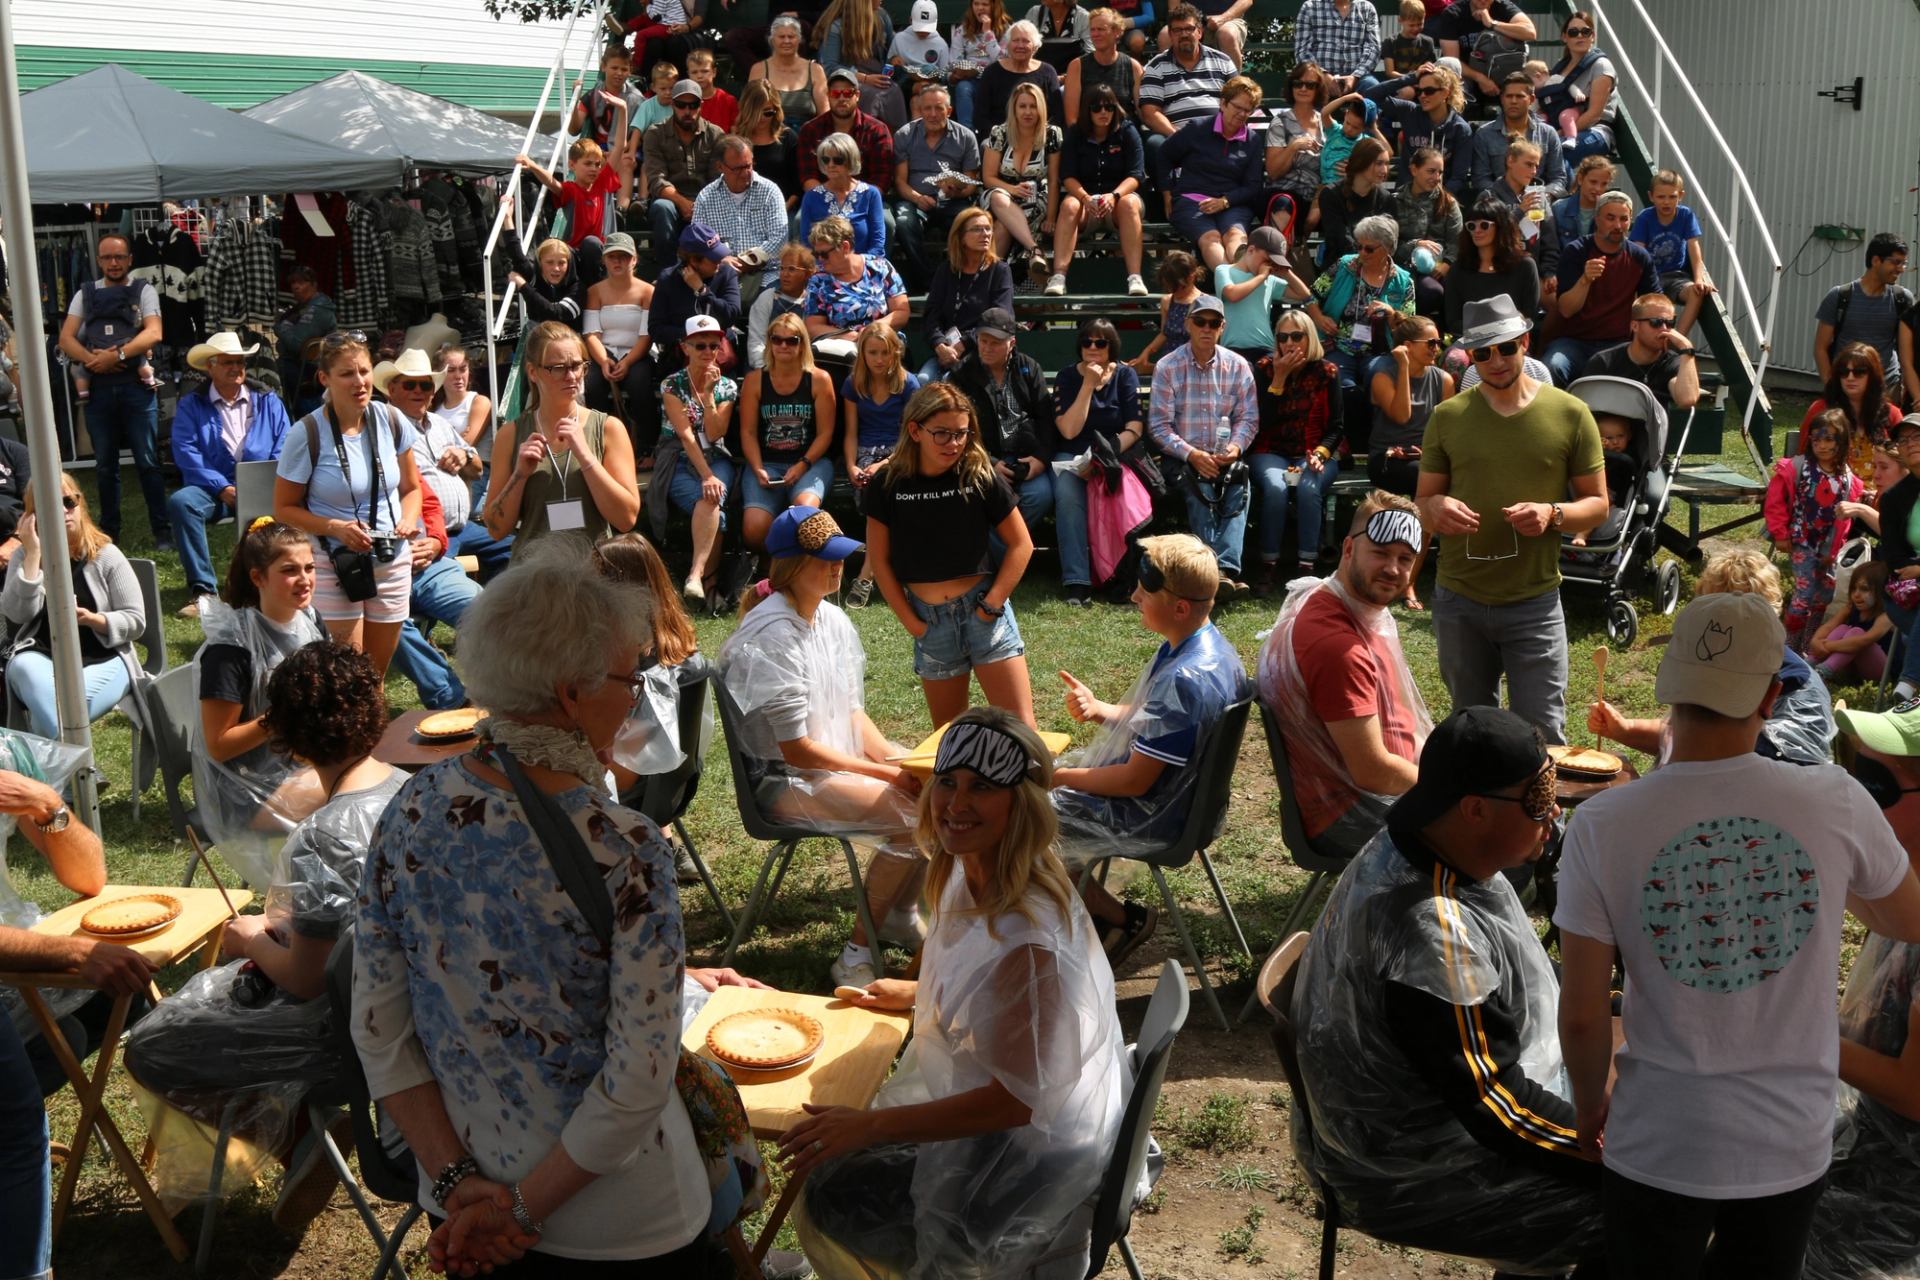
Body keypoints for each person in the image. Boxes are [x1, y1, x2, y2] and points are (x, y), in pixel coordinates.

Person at [351, 541, 728, 1276]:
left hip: (460, 1201)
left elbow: (379, 1028)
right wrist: (519, 1209)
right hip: (618, 1221)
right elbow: (637, 1078)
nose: (636, 694)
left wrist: (461, 1185)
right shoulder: (626, 847)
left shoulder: (405, 812)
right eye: (631, 675)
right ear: (572, 692)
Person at [1556, 592, 1920, 1280]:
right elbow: (1908, 919)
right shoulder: (1835, 800)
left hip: (1656, 1140)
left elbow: (1580, 1016)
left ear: (1669, 689)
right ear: (1774, 697)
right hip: (1787, 1148)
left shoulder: (1602, 825)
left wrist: (1587, 1110)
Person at [783, 708, 1127, 1279]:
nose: (955, 803)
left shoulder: (1029, 942)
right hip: (1016, 1132)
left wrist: (868, 1127)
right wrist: (921, 992)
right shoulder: (976, 868)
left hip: (1026, 1166)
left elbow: (1015, 1103)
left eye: (983, 788)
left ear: (1024, 803)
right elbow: (996, 995)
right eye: (947, 782)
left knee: (829, 1189)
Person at [1291, 705, 1604, 1273]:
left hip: (1417, 1122)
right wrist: (1621, 1153)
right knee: (1650, 1209)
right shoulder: (1432, 934)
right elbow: (1496, 1108)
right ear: (1476, 810)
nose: (1553, 812)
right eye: (1537, 799)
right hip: (1408, 1167)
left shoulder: (1420, 844)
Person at [127, 640, 404, 1241]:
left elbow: (306, 978)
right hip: (405, 1019)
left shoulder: (325, 833)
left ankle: (303, 1130)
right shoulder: (411, 790)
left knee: (150, 1046)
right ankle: (306, 1130)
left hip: (344, 1040)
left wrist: (253, 937)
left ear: (291, 742)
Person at [719, 506, 925, 988]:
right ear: (791, 565)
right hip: (779, 780)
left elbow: (852, 712)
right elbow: (799, 753)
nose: (838, 567)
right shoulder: (772, 637)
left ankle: (899, 914)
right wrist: (890, 776)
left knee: (932, 792)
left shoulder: (831, 620)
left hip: (822, 764)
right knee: (911, 817)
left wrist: (899, 760)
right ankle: (855, 953)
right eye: (825, 560)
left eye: (841, 557)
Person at [1416, 293, 1606, 742]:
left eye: (1505, 347)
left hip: (1533, 600)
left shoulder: (1569, 412)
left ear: (1525, 341)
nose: (1496, 361)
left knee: (1543, 734)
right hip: (1459, 598)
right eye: (1483, 353)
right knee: (1475, 730)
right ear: (1470, 357)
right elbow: (1423, 501)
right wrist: (1435, 507)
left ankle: (1543, 814)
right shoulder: (1447, 416)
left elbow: (1597, 504)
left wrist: (1553, 513)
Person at [1053, 533, 1250, 951]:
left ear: (1179, 607)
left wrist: (1057, 780)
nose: (1135, 594)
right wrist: (1104, 709)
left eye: (1147, 588)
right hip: (1188, 806)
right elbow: (1166, 724)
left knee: (1019, 814)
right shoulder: (1210, 651)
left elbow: (1132, 783)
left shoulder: (1184, 679)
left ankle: (1118, 921)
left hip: (1156, 817)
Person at [1260, 492, 1430, 856]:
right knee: (1507, 840)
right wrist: (1453, 789)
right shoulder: (1337, 644)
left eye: (1405, 559)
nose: (1394, 569)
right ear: (1349, 548)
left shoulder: (1346, 605)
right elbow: (1371, 771)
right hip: (1354, 813)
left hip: (1382, 793)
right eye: (1381, 553)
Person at [865, 381, 1036, 728]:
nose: (954, 443)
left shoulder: (979, 472)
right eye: (942, 433)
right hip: (931, 623)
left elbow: (1022, 545)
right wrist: (913, 623)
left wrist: (992, 605)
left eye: (962, 433)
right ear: (915, 430)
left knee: (1021, 731)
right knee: (949, 739)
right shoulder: (887, 483)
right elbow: (879, 561)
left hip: (985, 615)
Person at [1587, 548, 1840, 770]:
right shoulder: (1704, 661)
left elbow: (1721, 753)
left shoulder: (1798, 690)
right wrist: (1626, 729)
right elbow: (1694, 736)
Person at [271, 331, 421, 678]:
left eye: (365, 371)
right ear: (324, 378)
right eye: (347, 374)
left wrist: (409, 520)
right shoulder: (306, 432)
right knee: (347, 675)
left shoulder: (391, 419)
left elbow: (412, 488)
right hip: (334, 563)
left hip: (390, 559)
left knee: (376, 675)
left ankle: (375, 734)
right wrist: (335, 527)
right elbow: (283, 508)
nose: (360, 382)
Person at [191, 518, 326, 883]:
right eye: (289, 570)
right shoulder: (230, 649)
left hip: (299, 764)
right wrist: (283, 715)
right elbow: (219, 746)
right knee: (350, 790)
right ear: (257, 578)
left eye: (309, 567)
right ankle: (321, 908)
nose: (305, 579)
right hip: (245, 793)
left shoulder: (309, 620)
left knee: (372, 775)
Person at [2, 475, 146, 740]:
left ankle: (71, 771)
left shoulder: (105, 555)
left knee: (56, 711)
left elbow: (135, 621)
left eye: (69, 501)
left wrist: (93, 619)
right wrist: (34, 556)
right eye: (51, 506)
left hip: (107, 658)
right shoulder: (25, 556)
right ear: (33, 517)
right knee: (23, 670)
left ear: (81, 504)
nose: (64, 510)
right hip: (44, 659)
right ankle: (79, 768)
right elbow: (17, 614)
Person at [484, 321, 641, 562]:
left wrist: (587, 457)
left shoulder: (608, 428)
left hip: (593, 573)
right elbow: (495, 529)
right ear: (533, 372)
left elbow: (626, 519)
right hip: (532, 574)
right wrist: (519, 475)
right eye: (558, 368)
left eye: (577, 366)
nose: (571, 376)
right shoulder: (511, 434)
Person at [55, 232, 169, 546]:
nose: (113, 262)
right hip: (99, 390)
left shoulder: (144, 290)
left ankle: (162, 530)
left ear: (130, 259)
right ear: (99, 260)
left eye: (119, 257)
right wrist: (95, 360)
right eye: (107, 257)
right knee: (105, 465)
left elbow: (155, 332)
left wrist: (116, 355)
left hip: (136, 388)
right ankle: (109, 532)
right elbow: (65, 338)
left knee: (147, 461)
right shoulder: (85, 293)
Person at [170, 330, 292, 612]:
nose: (236, 368)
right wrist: (219, 487)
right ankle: (203, 591)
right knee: (181, 502)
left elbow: (285, 444)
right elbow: (185, 451)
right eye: (228, 362)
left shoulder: (268, 400)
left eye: (240, 362)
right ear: (210, 367)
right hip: (213, 490)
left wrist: (263, 480)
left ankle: (275, 580)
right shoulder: (191, 404)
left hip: (264, 486)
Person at [1149, 293, 1259, 594]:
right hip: (1183, 457)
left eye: (1214, 323)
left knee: (1239, 481)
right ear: (1188, 324)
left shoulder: (1238, 366)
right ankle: (1217, 570)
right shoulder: (1168, 366)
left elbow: (1248, 420)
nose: (1206, 328)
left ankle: (1220, 569)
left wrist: (1235, 447)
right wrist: (1192, 454)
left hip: (1224, 455)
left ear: (1222, 327)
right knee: (1200, 484)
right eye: (1200, 321)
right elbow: (1159, 427)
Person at [1249, 309, 1345, 592]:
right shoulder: (1264, 368)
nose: (1289, 343)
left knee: (1308, 485)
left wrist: (1320, 454)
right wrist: (1278, 378)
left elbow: (1337, 426)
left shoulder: (1327, 372)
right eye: (1283, 337)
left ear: (1309, 337)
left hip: (1315, 451)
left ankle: (1307, 566)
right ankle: (1268, 564)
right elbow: (1259, 424)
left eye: (1296, 336)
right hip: (1270, 450)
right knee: (1276, 488)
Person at [1051, 316, 1145, 605]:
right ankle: (1077, 582)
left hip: (1113, 454)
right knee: (1067, 494)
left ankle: (1119, 576)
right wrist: (1088, 385)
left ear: (1111, 347)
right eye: (1087, 341)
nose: (1093, 347)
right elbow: (1068, 430)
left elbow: (1135, 428)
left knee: (1121, 493)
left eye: (1100, 342)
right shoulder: (1067, 377)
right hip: (1072, 455)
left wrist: (1106, 454)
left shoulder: (1125, 375)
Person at [1308, 214, 1415, 455]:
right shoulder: (1346, 266)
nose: (1362, 253)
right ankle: (1340, 443)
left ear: (1387, 248)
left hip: (1378, 350)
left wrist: (1390, 312)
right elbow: (1311, 297)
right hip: (1339, 345)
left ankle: (1381, 443)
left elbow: (1408, 326)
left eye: (1368, 248)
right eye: (1359, 246)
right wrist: (1320, 318)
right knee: (1340, 385)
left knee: (1382, 380)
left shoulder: (1402, 281)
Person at [738, 312, 836, 551]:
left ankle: (799, 570)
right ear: (769, 342)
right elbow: (748, 432)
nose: (783, 345)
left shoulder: (819, 379)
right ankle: (770, 566)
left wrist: (802, 464)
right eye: (776, 339)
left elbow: (825, 433)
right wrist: (758, 467)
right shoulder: (754, 380)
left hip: (810, 462)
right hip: (767, 462)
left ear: (802, 344)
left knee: (803, 517)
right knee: (754, 529)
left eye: (791, 340)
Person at [1767, 408, 1862, 653]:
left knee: (1825, 593)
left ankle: (1810, 641)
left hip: (1828, 546)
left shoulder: (1846, 478)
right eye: (1816, 439)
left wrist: (1837, 546)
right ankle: (1789, 646)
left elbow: (1845, 518)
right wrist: (1780, 532)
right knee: (1804, 592)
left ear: (1841, 442)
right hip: (1802, 540)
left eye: (1828, 439)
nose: (1821, 445)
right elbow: (1775, 501)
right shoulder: (1798, 468)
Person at [1546, 189, 1658, 387]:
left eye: (1624, 219)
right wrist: (1585, 280)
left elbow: (1653, 304)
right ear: (1597, 219)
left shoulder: (1639, 257)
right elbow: (1566, 309)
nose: (1617, 225)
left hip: (1619, 344)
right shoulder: (1577, 251)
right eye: (1610, 218)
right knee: (1552, 366)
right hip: (1575, 341)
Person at [662, 314, 739, 602]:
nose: (708, 352)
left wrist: (708, 396)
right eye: (700, 346)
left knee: (712, 496)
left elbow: (716, 431)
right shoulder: (672, 385)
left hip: (716, 454)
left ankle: (696, 576)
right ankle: (707, 581)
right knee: (711, 502)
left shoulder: (727, 386)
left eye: (713, 345)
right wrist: (706, 474)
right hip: (680, 457)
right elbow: (686, 436)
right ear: (685, 348)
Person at [1049, 81, 1147, 296]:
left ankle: (1135, 277)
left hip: (1120, 201)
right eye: (1097, 108)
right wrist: (1085, 198)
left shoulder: (1128, 131)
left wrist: (1114, 196)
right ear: (1088, 110)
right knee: (1069, 204)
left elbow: (1136, 175)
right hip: (1087, 203)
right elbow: (1068, 176)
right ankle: (1058, 276)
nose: (1104, 112)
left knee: (1130, 202)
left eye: (1109, 107)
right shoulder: (1075, 134)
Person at [1156, 75, 1263, 271]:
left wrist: (1224, 201)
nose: (1241, 114)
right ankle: (1230, 284)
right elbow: (1163, 155)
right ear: (1223, 103)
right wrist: (1166, 193)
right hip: (1192, 200)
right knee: (1210, 238)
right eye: (1237, 107)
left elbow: (1253, 186)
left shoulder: (1253, 140)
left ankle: (1237, 282)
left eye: (1247, 110)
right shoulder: (1197, 128)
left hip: (1232, 203)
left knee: (1236, 235)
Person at [1136, 4, 1235, 206]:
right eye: (1177, 30)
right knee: (1155, 144)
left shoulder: (1223, 62)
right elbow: (1150, 112)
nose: (1184, 34)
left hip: (1218, 134)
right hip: (1176, 135)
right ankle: (1174, 203)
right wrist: (1178, 135)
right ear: (1170, 35)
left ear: (1200, 32)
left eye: (1189, 29)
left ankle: (1224, 200)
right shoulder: (1156, 67)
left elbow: (1238, 102)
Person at [890, 83, 983, 291]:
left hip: (953, 200)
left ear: (948, 110)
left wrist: (957, 189)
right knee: (904, 222)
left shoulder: (966, 137)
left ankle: (957, 280)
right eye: (927, 108)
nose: (933, 114)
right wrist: (917, 198)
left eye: (938, 108)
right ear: (920, 110)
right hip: (915, 199)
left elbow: (971, 184)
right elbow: (900, 182)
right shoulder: (905, 135)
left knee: (968, 222)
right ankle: (927, 280)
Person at [1368, 314, 1452, 540]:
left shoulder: (1443, 380)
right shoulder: (1383, 376)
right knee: (1425, 475)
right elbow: (1402, 416)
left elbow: (1446, 431)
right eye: (1431, 343)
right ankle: (1417, 539)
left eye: (1439, 341)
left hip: (1425, 456)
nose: (1437, 348)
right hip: (1387, 459)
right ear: (1407, 347)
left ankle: (1437, 539)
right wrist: (1404, 367)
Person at [579, 232, 657, 460]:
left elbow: (645, 335)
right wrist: (604, 360)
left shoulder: (647, 291)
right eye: (612, 256)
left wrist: (629, 361)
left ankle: (647, 445)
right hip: (604, 352)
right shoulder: (595, 291)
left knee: (639, 383)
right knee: (592, 382)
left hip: (638, 353)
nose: (617, 261)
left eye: (624, 256)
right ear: (604, 260)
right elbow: (591, 333)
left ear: (634, 259)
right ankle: (599, 443)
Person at [517, 137, 634, 288]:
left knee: (591, 243)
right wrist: (532, 165)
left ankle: (595, 289)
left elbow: (619, 147)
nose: (594, 168)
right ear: (572, 164)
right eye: (588, 163)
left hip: (596, 252)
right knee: (557, 252)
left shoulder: (601, 184)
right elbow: (551, 182)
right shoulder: (571, 189)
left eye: (598, 164)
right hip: (574, 252)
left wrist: (623, 112)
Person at [980, 82, 1064, 285]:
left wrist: (1051, 217)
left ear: (1041, 108)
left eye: (1033, 106)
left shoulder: (1052, 133)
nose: (1028, 112)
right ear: (1014, 109)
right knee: (999, 197)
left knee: (1003, 227)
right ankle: (1034, 250)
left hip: (1035, 198)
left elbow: (1053, 179)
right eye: (1023, 106)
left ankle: (988, 284)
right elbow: (988, 177)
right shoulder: (999, 133)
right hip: (1000, 194)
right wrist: (1012, 189)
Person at [639, 78, 724, 275]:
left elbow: (718, 179)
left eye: (693, 105)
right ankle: (669, 272)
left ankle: (712, 269)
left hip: (707, 199)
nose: (687, 111)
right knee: (662, 207)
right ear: (672, 104)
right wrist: (682, 202)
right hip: (670, 199)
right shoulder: (655, 133)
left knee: (719, 204)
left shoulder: (715, 134)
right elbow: (656, 178)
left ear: (701, 105)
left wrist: (699, 203)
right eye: (681, 105)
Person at [690, 134, 789, 303]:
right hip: (721, 274)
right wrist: (722, 261)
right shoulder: (706, 197)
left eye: (748, 166)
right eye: (738, 168)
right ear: (720, 166)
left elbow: (779, 239)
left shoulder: (770, 191)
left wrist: (744, 262)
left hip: (765, 274)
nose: (745, 173)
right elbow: (698, 242)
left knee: (770, 301)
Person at [922, 206, 1015, 380]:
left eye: (988, 228)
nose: (985, 234)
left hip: (981, 352)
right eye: (977, 229)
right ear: (961, 237)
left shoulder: (1000, 271)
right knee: (922, 380)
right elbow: (931, 315)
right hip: (945, 350)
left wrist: (963, 343)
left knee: (948, 380)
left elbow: (1001, 317)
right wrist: (940, 344)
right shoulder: (946, 270)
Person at [1814, 232, 1912, 396]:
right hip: (1846, 388)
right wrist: (1831, 386)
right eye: (1896, 262)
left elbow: (1907, 352)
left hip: (1888, 390)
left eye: (1904, 263)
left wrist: (1905, 388)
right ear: (1875, 261)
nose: (1901, 269)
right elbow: (1820, 348)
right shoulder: (1839, 296)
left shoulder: (1902, 299)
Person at [648, 220, 743, 380]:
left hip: (718, 356)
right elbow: (656, 329)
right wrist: (693, 337)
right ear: (693, 261)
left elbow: (731, 314)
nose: (719, 261)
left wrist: (702, 291)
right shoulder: (668, 279)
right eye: (713, 258)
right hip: (680, 359)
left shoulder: (726, 273)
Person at [1582, 291, 1703, 415]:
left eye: (1669, 323)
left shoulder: (1671, 363)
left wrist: (1687, 348)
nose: (1664, 329)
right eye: (1656, 322)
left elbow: (1687, 400)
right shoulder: (1604, 362)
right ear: (1634, 326)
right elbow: (1585, 410)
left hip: (1652, 432)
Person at [1356, 63, 1470, 192]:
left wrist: (1439, 200)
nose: (1422, 96)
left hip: (1440, 200)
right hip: (1406, 197)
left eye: (1429, 91)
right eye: (1419, 91)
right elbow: (1370, 96)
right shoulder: (1410, 111)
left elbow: (1458, 177)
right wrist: (1411, 78)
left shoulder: (1460, 128)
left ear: (1445, 93)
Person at [796, 67, 899, 205]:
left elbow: (882, 177)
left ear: (857, 95)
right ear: (828, 95)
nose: (842, 98)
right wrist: (830, 202)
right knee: (798, 221)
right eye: (836, 93)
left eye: (848, 93)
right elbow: (808, 176)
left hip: (866, 200)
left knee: (888, 223)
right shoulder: (810, 130)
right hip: (822, 199)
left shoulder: (877, 130)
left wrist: (857, 202)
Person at [1631, 168, 1714, 336]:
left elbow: (1693, 245)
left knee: (1696, 293)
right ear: (1651, 196)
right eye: (1661, 197)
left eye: (1672, 196)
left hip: (1676, 275)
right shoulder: (1645, 218)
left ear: (1681, 195)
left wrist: (1699, 279)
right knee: (1645, 306)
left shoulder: (1685, 215)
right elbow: (1638, 251)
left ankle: (1676, 339)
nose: (1666, 202)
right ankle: (1643, 337)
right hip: (1651, 276)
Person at [1444, 195, 1539, 340]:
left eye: (1484, 225)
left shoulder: (1525, 266)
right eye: (1471, 225)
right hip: (1471, 342)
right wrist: (1488, 332)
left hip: (1512, 341)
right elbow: (1453, 321)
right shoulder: (1458, 269)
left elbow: (1529, 316)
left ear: (1501, 226)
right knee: (1455, 360)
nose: (1476, 230)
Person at [1808, 341, 1904, 482]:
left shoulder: (1891, 414)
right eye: (1844, 372)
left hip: (1880, 497)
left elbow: (1903, 462)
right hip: (1831, 494)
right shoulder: (1821, 410)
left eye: (1859, 372)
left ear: (1872, 376)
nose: (1850, 378)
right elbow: (1804, 456)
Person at [803, 214, 910, 339]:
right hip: (842, 350)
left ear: (845, 247)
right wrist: (854, 337)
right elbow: (813, 327)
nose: (820, 259)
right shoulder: (819, 279)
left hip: (883, 343)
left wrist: (872, 332)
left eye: (824, 254)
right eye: (816, 254)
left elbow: (901, 311)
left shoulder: (880, 267)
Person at [1465, 70, 1566, 198]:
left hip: (1538, 204)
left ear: (1531, 99)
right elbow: (1480, 180)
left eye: (1519, 96)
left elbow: (1558, 178)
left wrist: (1544, 196)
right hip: (1499, 205)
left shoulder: (1548, 134)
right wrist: (1506, 199)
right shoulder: (1484, 134)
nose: (1513, 101)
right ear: (1502, 98)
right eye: (1508, 96)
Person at [1218, 225, 1309, 366]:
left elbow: (1303, 294)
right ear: (1251, 250)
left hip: (1265, 348)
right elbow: (1232, 294)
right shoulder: (1225, 270)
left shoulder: (1269, 279)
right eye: (1267, 260)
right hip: (1233, 349)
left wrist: (1286, 272)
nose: (1269, 265)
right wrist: (1261, 277)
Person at [1393, 145, 1462, 320]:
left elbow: (1457, 240)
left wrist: (1446, 264)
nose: (1436, 178)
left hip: (1441, 267)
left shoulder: (1448, 203)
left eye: (1440, 172)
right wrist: (1414, 245)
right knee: (1428, 291)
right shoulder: (1395, 202)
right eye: (1431, 171)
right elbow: (1389, 243)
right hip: (1405, 266)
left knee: (1453, 288)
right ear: (1414, 169)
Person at [816, 0, 907, 130]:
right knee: (872, 95)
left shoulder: (882, 17)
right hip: (851, 78)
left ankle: (895, 141)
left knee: (894, 90)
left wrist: (894, 57)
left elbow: (892, 45)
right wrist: (865, 78)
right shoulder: (837, 27)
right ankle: (863, 138)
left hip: (877, 74)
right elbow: (829, 67)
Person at [1539, 12, 1616, 164]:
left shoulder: (1601, 66)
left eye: (1586, 31)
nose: (1580, 36)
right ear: (1564, 37)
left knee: (1555, 155)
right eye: (1573, 32)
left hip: (1595, 131)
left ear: (1592, 36)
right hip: (1559, 129)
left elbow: (1594, 114)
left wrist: (1558, 134)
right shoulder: (1559, 68)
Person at [798, 130, 889, 257]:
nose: (830, 165)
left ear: (851, 160)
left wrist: (857, 266)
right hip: (823, 269)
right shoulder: (811, 196)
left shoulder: (871, 194)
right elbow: (806, 244)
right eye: (825, 159)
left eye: (838, 160)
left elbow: (877, 244)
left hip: (862, 268)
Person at [974, 19, 1065, 139]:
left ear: (1035, 46)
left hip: (1038, 140)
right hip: (998, 141)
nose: (1020, 45)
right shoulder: (992, 72)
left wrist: (1039, 137)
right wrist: (1000, 138)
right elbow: (980, 116)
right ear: (1008, 44)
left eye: (1026, 41)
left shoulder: (1047, 72)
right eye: (1015, 40)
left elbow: (1057, 115)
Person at [1312, 136, 1394, 266]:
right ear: (1362, 162)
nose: (1384, 170)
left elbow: (1387, 240)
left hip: (1375, 266)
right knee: (1320, 287)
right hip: (1340, 265)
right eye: (1379, 163)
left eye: (1386, 164)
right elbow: (1339, 238)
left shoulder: (1385, 198)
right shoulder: (1331, 194)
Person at [1809, 560, 1893, 683]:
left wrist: (1826, 645)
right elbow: (1829, 626)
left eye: (1864, 589)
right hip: (1852, 666)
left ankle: (1822, 672)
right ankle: (1810, 663)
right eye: (1854, 588)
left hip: (1881, 671)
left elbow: (1864, 641)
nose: (1856, 594)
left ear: (1882, 591)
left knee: (1857, 632)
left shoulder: (1887, 616)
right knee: (1842, 628)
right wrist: (1815, 641)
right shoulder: (1850, 607)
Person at [1126, 250, 1204, 376]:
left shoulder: (1205, 303)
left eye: (1180, 287)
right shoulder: (1167, 301)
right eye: (1170, 288)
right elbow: (1164, 334)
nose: (1175, 292)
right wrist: (1146, 352)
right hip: (1168, 366)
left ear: (1192, 276)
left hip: (1195, 367)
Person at [1062, 6, 1141, 126]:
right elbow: (1072, 120)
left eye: (1101, 29)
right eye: (1092, 30)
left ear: (1117, 32)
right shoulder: (1076, 66)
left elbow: (1143, 112)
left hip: (1125, 134)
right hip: (1089, 137)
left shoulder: (1133, 66)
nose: (1095, 34)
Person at [735, 79, 802, 219]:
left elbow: (797, 186)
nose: (762, 118)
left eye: (768, 112)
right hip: (742, 212)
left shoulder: (788, 137)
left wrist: (782, 209)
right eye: (757, 112)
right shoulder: (736, 140)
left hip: (782, 210)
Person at [274, 267, 338, 408]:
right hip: (304, 369)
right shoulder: (302, 308)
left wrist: (280, 326)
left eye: (302, 282)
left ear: (313, 284)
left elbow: (296, 344)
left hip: (309, 373)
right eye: (293, 283)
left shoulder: (316, 309)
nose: (296, 286)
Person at [746, 14, 828, 124]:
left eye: (791, 37)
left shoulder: (815, 70)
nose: (786, 41)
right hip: (769, 135)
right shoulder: (758, 70)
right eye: (781, 37)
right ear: (772, 40)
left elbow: (825, 114)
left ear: (799, 39)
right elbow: (750, 112)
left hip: (806, 136)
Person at [748, 244, 819, 371]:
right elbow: (756, 343)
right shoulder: (767, 298)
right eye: (782, 268)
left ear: (808, 273)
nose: (784, 274)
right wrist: (767, 371)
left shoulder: (814, 302)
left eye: (791, 269)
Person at [1292, 0, 1381, 96]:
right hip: (1318, 76)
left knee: (1372, 87)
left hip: (1358, 78)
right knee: (1308, 87)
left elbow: (1373, 47)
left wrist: (1355, 76)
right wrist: (1323, 76)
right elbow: (1302, 50)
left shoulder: (1366, 8)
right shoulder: (1310, 7)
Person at [507, 237, 588, 332]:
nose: (556, 268)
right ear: (540, 263)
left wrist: (523, 286)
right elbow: (517, 257)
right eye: (550, 262)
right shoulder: (536, 279)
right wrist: (508, 222)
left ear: (569, 263)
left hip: (569, 342)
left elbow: (557, 314)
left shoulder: (578, 289)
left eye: (561, 263)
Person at [1551, 154, 1614, 248]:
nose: (1598, 188)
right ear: (1580, 179)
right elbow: (1553, 248)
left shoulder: (1609, 212)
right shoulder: (1559, 209)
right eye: (1593, 182)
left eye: (1604, 184)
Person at [1027, 0, 1091, 75]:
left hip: (1073, 76)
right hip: (1039, 75)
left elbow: (1090, 53)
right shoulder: (1035, 12)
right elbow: (1025, 43)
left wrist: (1068, 77)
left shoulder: (1083, 16)